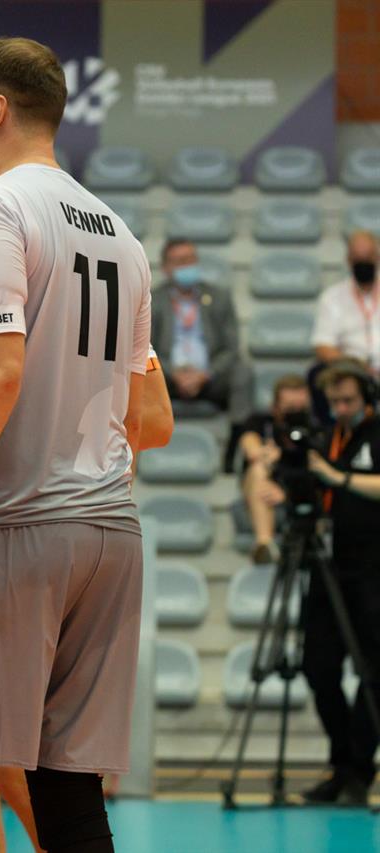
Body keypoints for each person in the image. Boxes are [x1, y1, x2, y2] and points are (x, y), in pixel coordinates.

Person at [0, 39, 150, 852]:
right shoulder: (121, 234)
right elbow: (142, 414)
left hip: (16, 523)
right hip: (109, 530)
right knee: (69, 792)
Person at [300, 360, 380, 805]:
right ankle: (342, 760)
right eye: (334, 402)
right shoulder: (326, 436)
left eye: (348, 400)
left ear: (367, 397)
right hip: (327, 567)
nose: (341, 409)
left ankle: (359, 769)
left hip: (372, 570)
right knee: (318, 667)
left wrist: (338, 478)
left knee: (375, 673)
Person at [150, 239, 253, 425]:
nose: (187, 266)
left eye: (191, 259)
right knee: (138, 376)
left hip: (210, 377)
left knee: (242, 372)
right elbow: (146, 349)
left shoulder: (219, 297)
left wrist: (205, 374)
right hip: (167, 378)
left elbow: (231, 349)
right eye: (180, 261)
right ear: (165, 268)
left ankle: (240, 437)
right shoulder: (153, 300)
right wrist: (174, 373)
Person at [234, 375, 312, 565]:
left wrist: (287, 494)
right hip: (258, 487)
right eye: (290, 409)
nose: (295, 414)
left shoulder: (314, 431)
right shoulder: (261, 422)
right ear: (275, 408)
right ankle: (264, 543)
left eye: (301, 409)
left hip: (295, 492)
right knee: (259, 468)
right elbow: (250, 446)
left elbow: (316, 474)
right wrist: (269, 455)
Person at [313, 231, 380, 374]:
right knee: (316, 372)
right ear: (349, 260)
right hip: (350, 372)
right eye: (357, 258)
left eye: (368, 257)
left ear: (377, 257)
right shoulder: (332, 298)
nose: (363, 263)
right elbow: (323, 346)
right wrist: (354, 367)